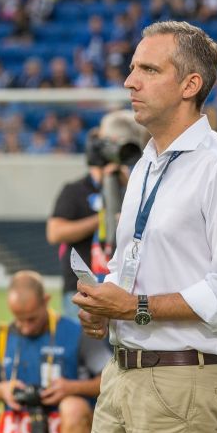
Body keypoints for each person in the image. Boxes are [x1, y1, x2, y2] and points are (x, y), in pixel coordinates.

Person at [73, 20, 217, 433]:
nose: (129, 81)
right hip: (121, 374)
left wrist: (136, 308)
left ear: (190, 84)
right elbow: (131, 264)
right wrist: (106, 306)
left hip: (183, 380)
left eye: (149, 70)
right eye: (131, 68)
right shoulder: (146, 163)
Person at [0, 270, 111, 433]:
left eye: (31, 318)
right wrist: (4, 390)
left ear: (46, 301)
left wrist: (72, 388)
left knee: (73, 407)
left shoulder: (77, 333)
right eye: (18, 318)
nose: (25, 327)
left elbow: (111, 380)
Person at [47, 111, 145, 321]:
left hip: (125, 289)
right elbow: (55, 233)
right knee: (90, 351)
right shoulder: (75, 190)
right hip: (82, 287)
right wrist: (102, 218)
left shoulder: (136, 188)